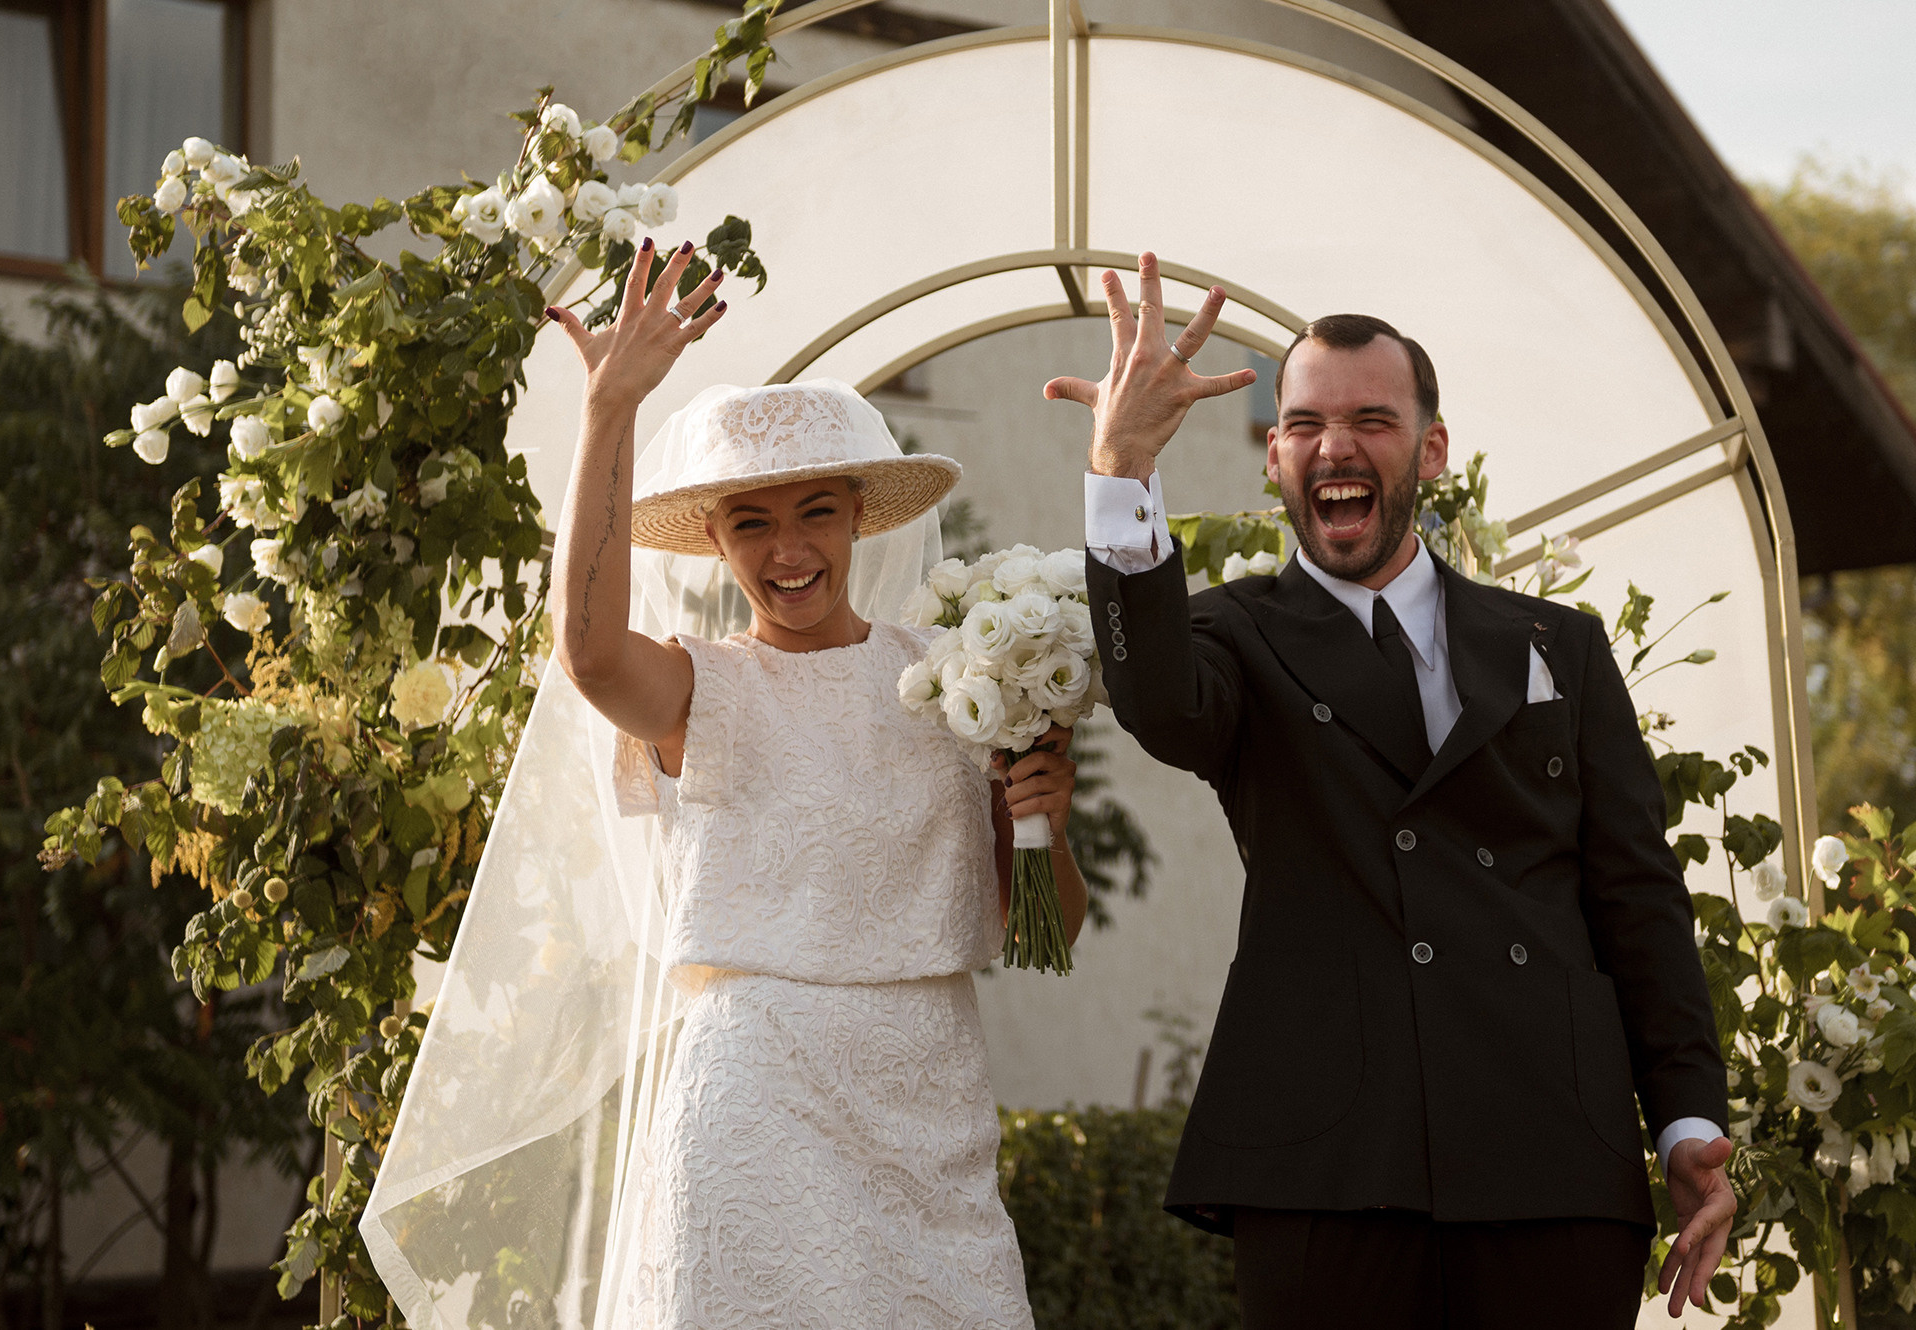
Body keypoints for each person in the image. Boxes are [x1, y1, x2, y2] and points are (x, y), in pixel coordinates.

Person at [1044, 253, 1735, 1328]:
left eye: (1371, 419)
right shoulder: (1230, 633)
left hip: (1546, 1147)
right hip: (1324, 1160)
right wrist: (1121, 464)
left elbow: (1637, 900)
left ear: (1430, 448)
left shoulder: (1561, 645)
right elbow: (1159, 704)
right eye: (1306, 423)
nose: (1335, 446)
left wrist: (1686, 1121)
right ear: (1273, 453)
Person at [541, 237, 1087, 1328]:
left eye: (813, 512)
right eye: (751, 520)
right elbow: (591, 657)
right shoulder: (705, 690)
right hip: (754, 1101)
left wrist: (1046, 825)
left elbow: (1049, 931)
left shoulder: (952, 681)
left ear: (857, 514)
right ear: (714, 540)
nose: (787, 548)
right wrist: (610, 409)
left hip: (928, 1106)